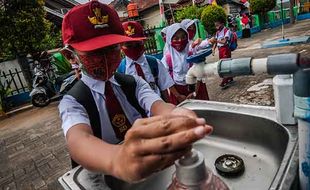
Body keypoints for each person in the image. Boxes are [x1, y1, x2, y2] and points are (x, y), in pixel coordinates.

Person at [58, 1, 212, 183]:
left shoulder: (134, 84)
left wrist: (178, 115)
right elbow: (78, 141)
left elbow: (158, 105)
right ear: (70, 56)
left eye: (113, 48)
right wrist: (116, 159)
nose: (107, 58)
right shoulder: (73, 101)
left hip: (149, 166)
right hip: (102, 177)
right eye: (95, 52)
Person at [119, 21, 174, 102]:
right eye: (128, 46)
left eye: (138, 44)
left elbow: (164, 89)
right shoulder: (120, 70)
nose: (134, 48)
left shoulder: (155, 63)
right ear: (121, 47)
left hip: (158, 106)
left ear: (144, 42)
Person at [164, 23, 209, 104]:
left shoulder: (193, 54)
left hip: (196, 89)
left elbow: (199, 74)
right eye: (176, 38)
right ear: (169, 40)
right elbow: (166, 79)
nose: (180, 40)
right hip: (178, 92)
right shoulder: (167, 59)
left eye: (183, 37)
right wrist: (178, 95)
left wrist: (194, 92)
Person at [213, 17, 234, 89]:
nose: (217, 27)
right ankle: (230, 78)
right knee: (224, 63)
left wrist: (216, 41)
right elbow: (215, 40)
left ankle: (224, 80)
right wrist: (213, 48)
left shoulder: (226, 31)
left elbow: (224, 42)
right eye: (215, 26)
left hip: (225, 49)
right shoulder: (218, 32)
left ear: (222, 24)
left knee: (224, 65)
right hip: (220, 50)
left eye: (218, 25)